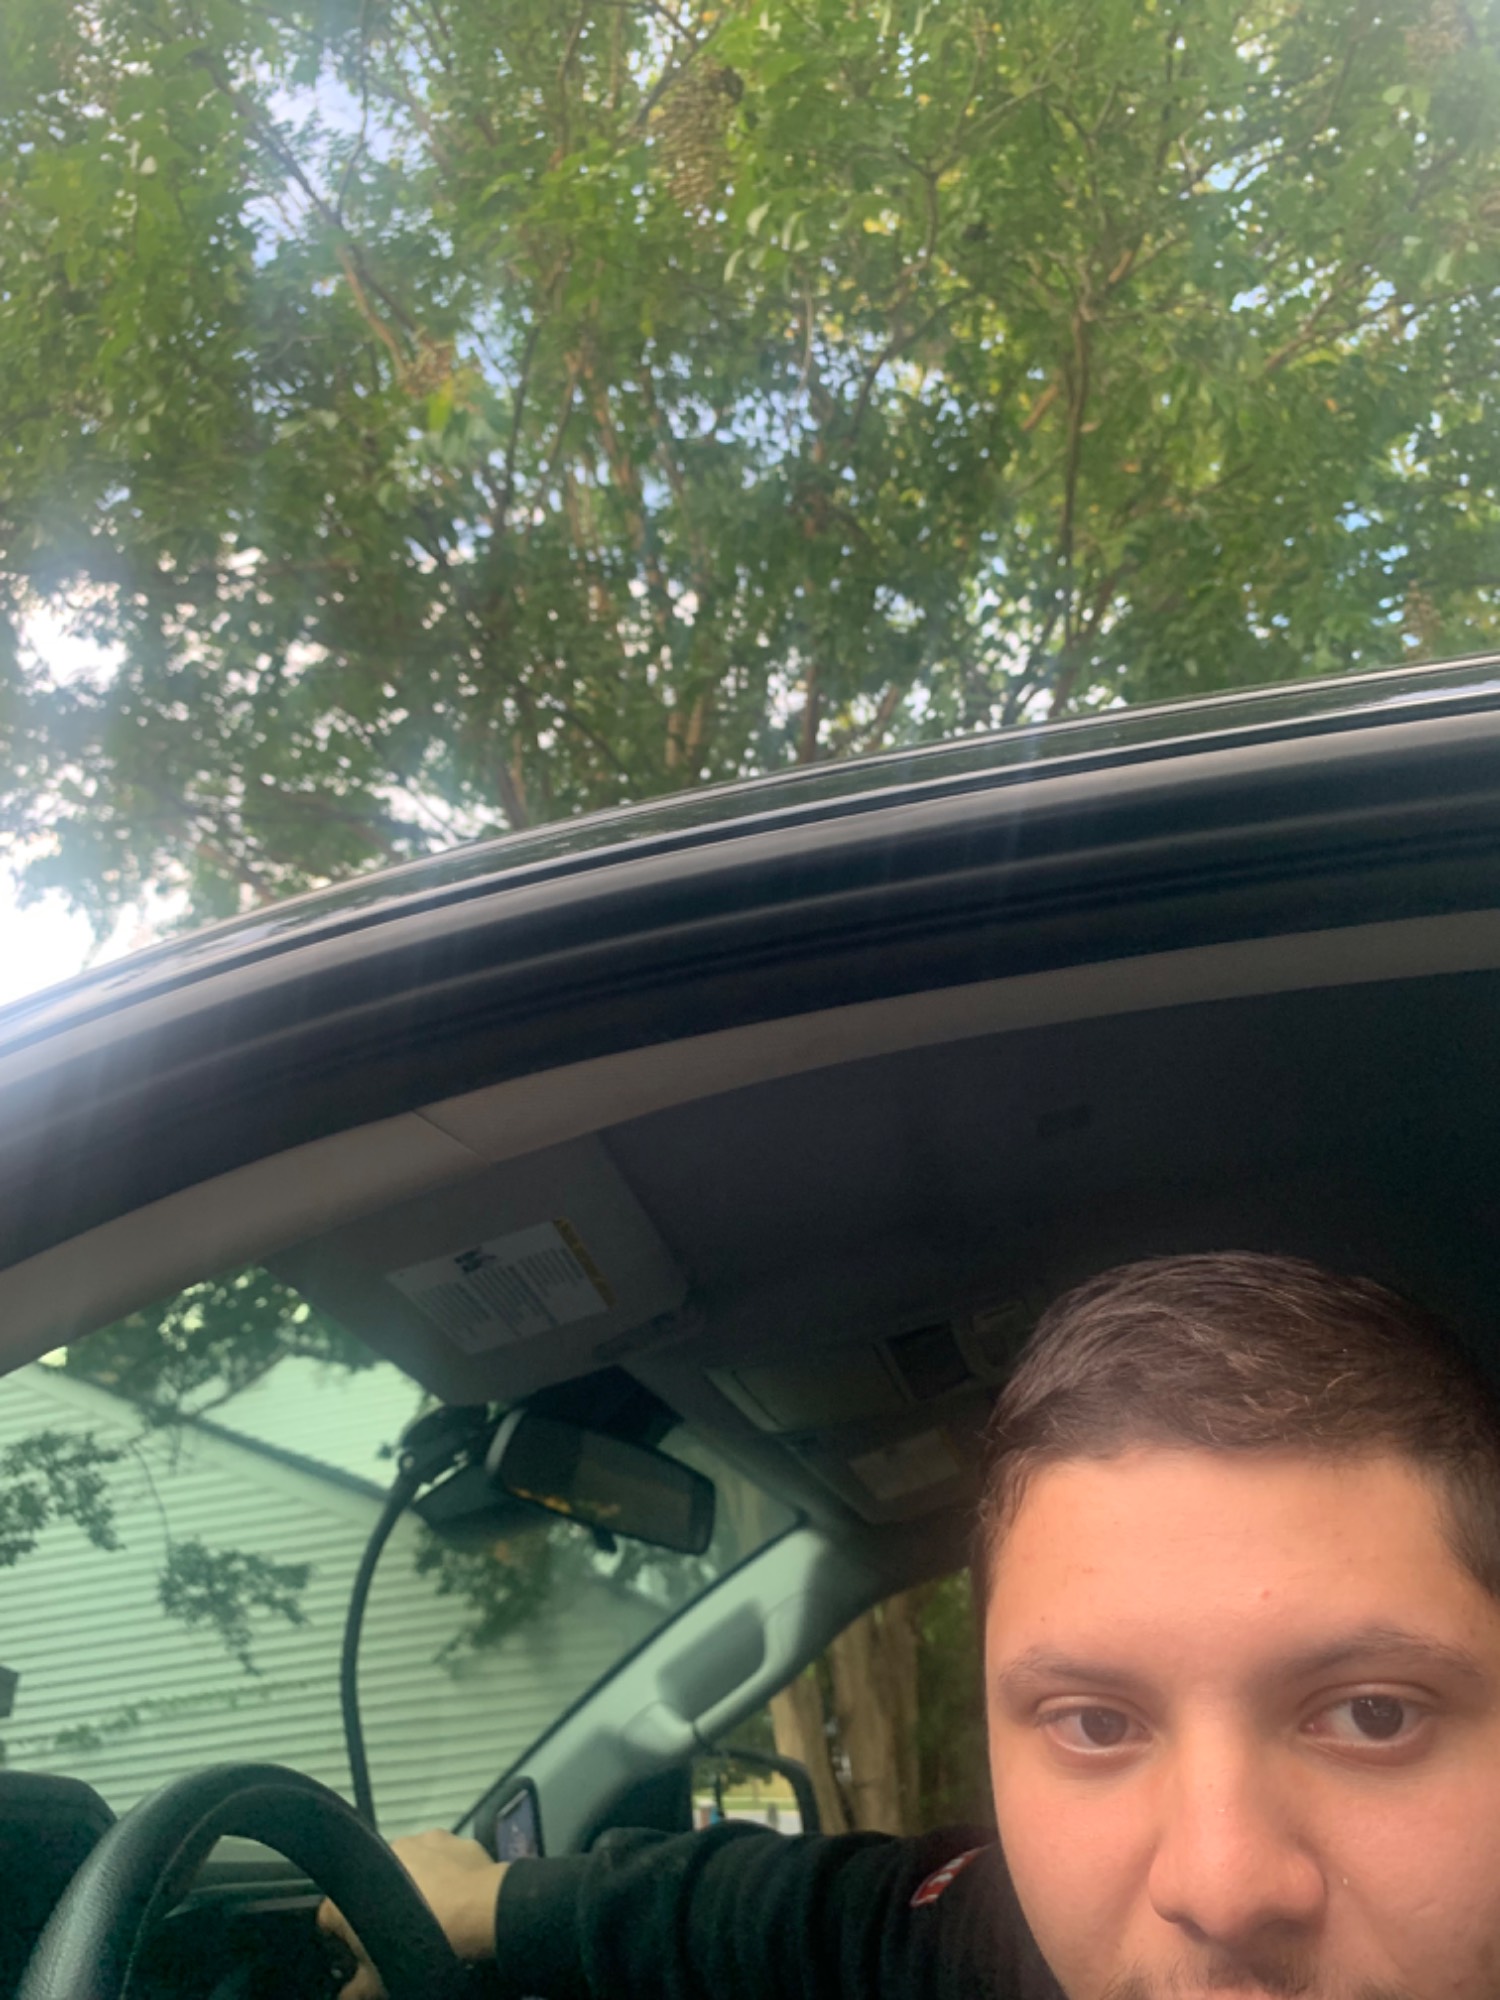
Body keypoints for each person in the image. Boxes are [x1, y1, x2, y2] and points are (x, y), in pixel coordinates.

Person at [322, 1251, 1500, 2000]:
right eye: (1095, 1721)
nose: (1221, 1884)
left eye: (1373, 1712)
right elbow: (800, 1915)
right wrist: (488, 1903)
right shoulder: (994, 1946)